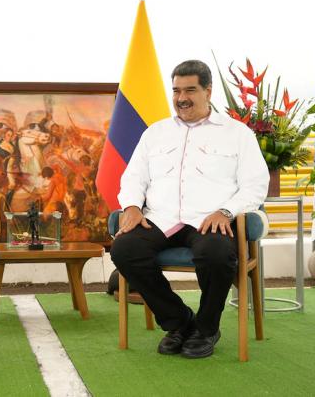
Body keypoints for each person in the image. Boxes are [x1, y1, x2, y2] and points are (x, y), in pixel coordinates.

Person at [110, 60, 268, 359]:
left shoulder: (237, 134)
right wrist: (131, 206)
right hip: (160, 217)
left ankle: (206, 329)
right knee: (124, 249)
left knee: (217, 254)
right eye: (176, 90)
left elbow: (255, 185)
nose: (181, 97)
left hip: (211, 220)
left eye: (190, 90)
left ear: (208, 91)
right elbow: (133, 177)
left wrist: (226, 211)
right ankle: (179, 323)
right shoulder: (154, 133)